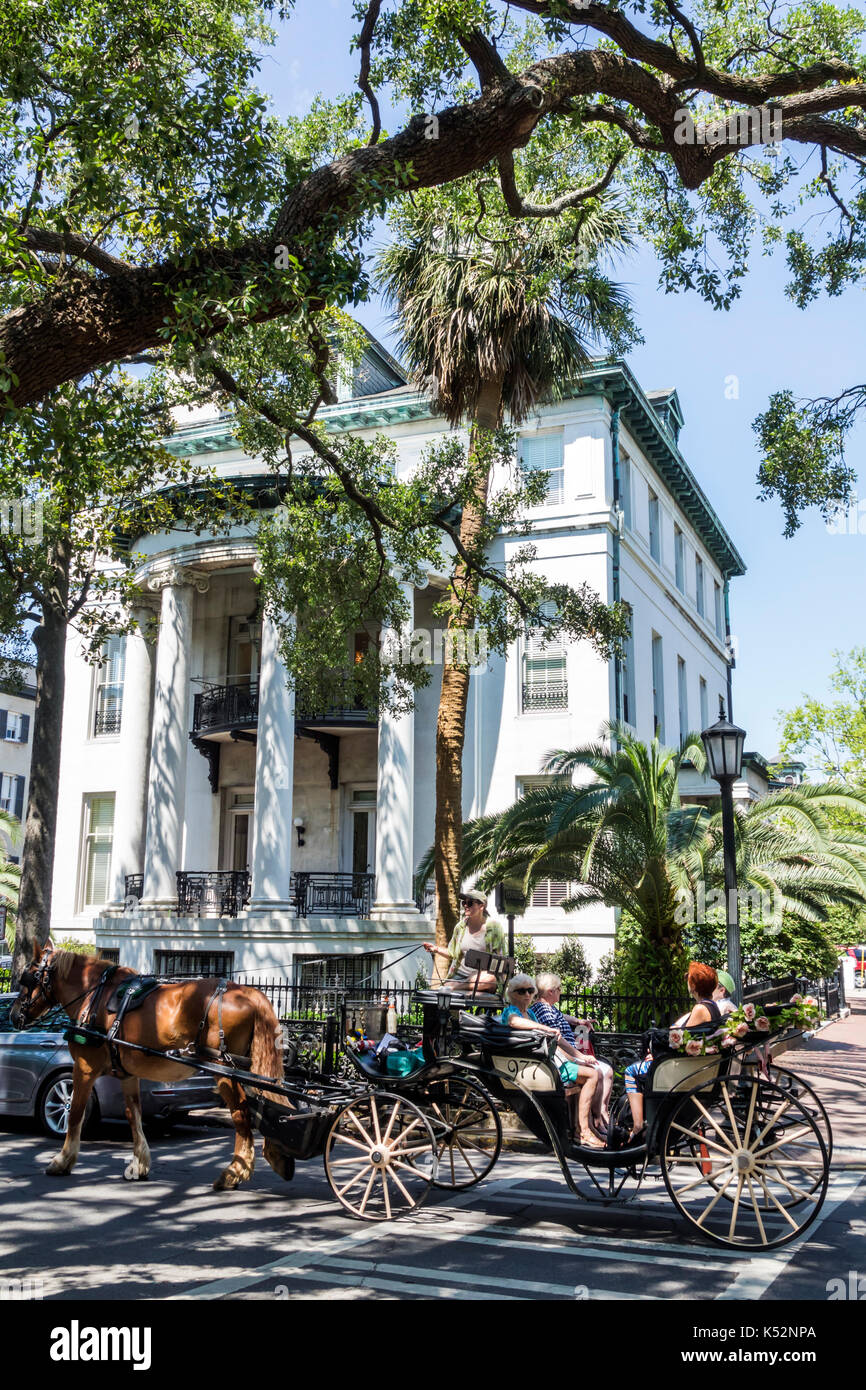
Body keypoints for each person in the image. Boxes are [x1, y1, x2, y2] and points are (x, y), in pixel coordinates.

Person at [500, 974, 604, 1149]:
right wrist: (544, 1027)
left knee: (591, 1074)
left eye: (530, 990)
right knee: (591, 1076)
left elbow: (558, 1038)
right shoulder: (511, 1011)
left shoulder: (531, 1013)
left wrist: (580, 1056)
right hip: (534, 1064)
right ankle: (583, 1131)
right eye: (521, 991)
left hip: (548, 1060)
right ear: (512, 994)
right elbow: (514, 1022)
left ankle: (581, 1129)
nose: (526, 994)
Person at [623, 962, 722, 1143]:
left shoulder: (700, 1008)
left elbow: (681, 1041)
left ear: (693, 985)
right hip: (698, 1065)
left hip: (683, 1069)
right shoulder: (712, 1006)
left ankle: (638, 1126)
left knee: (631, 1071)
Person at [531, 972, 612, 1130]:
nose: (561, 991)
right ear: (550, 992)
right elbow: (556, 1040)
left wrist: (578, 1021)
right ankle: (596, 1120)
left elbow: (562, 1016)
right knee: (601, 1072)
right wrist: (580, 1057)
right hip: (563, 1056)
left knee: (606, 1071)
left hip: (569, 1053)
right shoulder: (545, 1010)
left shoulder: (547, 1008)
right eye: (558, 988)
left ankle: (601, 1115)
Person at [422, 889, 506, 991]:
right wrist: (435, 949)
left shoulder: (494, 928)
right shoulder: (460, 927)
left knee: (490, 979)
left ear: (481, 906)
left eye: (470, 903)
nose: (465, 905)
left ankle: (457, 987)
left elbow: (501, 960)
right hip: (459, 976)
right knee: (441, 996)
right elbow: (452, 953)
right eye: (464, 902)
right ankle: (458, 986)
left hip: (481, 977)